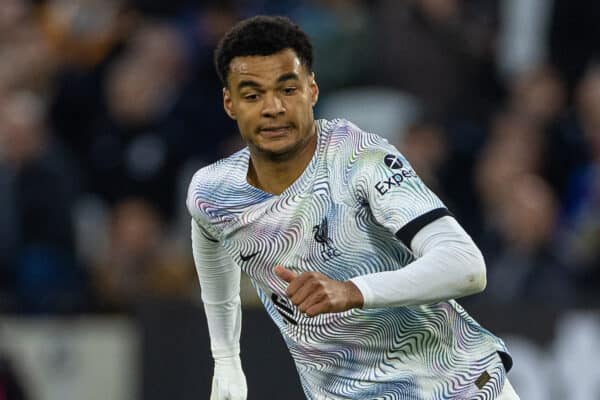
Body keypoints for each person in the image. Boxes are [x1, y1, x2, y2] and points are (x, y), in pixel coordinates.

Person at [187, 15, 520, 400]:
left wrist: (353, 290)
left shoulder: (359, 157)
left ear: (312, 91)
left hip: (456, 386)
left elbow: (467, 266)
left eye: (287, 89)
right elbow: (209, 238)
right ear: (230, 104)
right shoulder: (213, 192)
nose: (273, 107)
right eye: (252, 95)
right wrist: (226, 358)